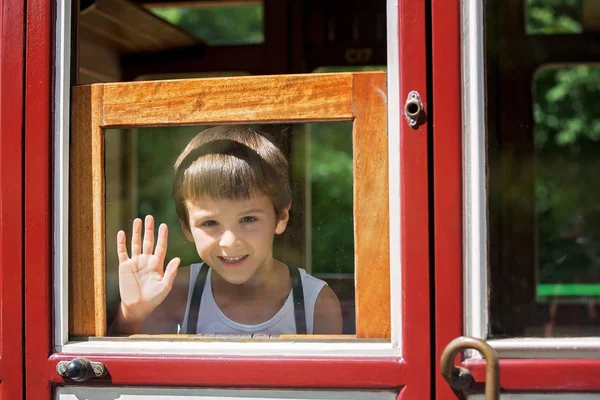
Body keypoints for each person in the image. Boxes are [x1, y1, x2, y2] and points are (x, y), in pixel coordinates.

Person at [110, 125, 343, 335]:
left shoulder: (316, 303)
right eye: (210, 223)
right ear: (187, 227)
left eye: (248, 219)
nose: (229, 242)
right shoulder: (176, 292)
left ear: (281, 217)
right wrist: (132, 314)